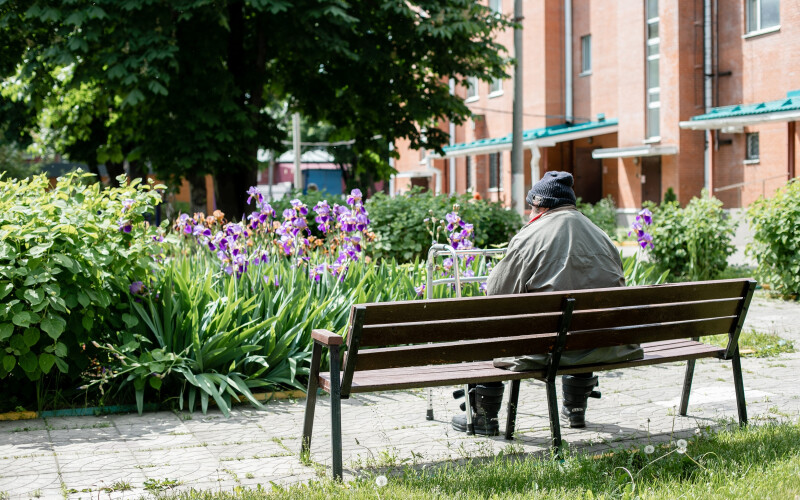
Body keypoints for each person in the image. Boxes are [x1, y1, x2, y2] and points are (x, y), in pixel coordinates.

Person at [452, 171, 643, 434]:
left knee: (484, 326)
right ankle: (575, 409)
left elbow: (495, 297)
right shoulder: (602, 236)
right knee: (579, 321)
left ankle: (484, 417)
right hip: (604, 346)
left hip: (544, 352)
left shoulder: (530, 237)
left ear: (540, 207)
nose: (530, 215)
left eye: (531, 208)